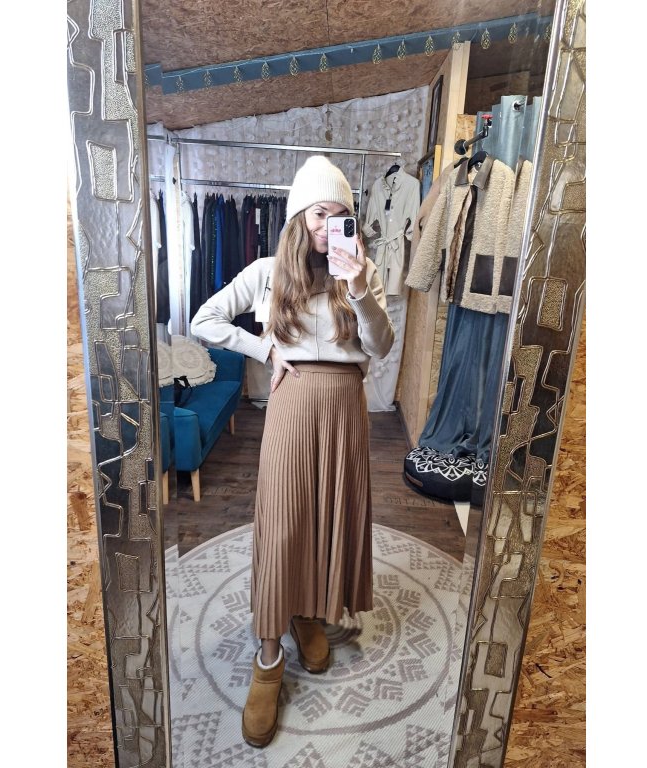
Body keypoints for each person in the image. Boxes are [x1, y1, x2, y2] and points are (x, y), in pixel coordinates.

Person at [190, 155, 395, 748]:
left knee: (327, 518)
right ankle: (268, 656)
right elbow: (206, 319)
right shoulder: (266, 272)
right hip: (292, 403)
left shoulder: (362, 271)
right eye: (318, 214)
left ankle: (309, 612)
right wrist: (264, 350)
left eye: (339, 215)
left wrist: (359, 290)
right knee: (283, 525)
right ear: (299, 218)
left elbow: (381, 346)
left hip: (345, 408)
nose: (329, 225)